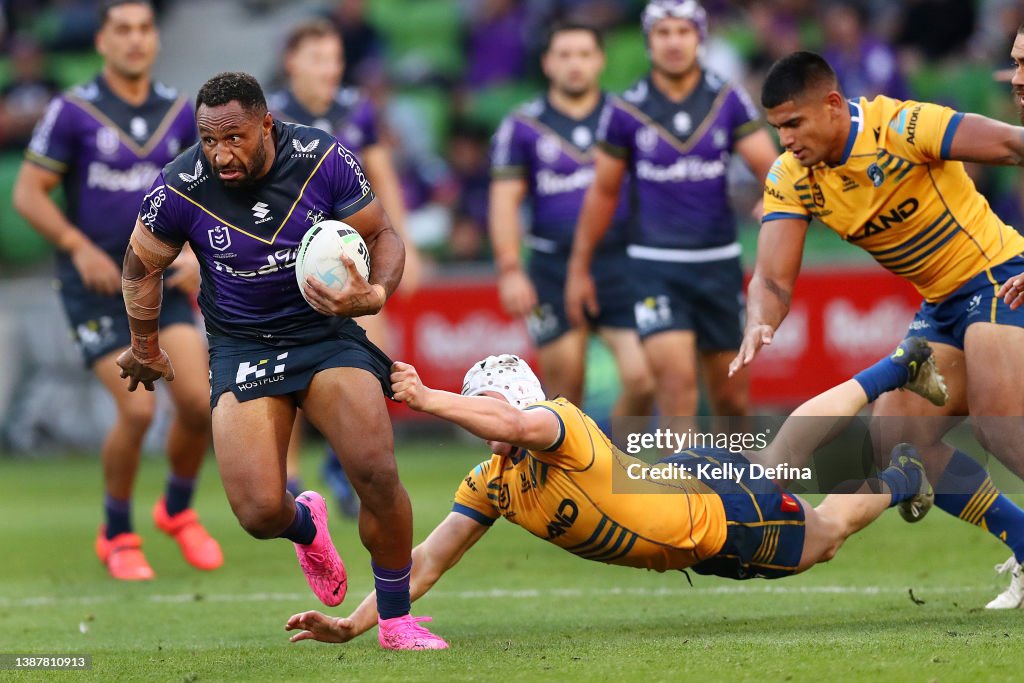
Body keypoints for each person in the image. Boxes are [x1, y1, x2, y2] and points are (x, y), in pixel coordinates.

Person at [282, 339, 945, 645]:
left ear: (511, 402)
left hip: (717, 518)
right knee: (782, 456)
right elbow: (425, 559)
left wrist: (428, 397)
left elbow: (514, 422)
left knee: (823, 537)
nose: (484, 426)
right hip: (689, 497)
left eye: (486, 407)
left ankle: (903, 476)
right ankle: (893, 370)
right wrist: (353, 624)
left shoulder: (555, 422)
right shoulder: (492, 482)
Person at [115, 71, 446, 650]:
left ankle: (396, 620)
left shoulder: (322, 157)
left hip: (324, 335)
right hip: (242, 345)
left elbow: (384, 234)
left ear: (266, 125)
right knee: (259, 513)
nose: (221, 154)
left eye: (235, 138)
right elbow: (140, 265)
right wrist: (145, 344)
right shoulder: (181, 185)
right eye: (209, 140)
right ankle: (306, 525)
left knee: (376, 473)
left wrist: (374, 295)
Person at [733, 49, 1024, 609]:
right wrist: (758, 321)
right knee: (898, 440)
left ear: (834, 105)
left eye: (794, 124)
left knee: (998, 422)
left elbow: (1014, 145)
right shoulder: (791, 177)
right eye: (777, 128)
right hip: (941, 304)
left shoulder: (905, 125)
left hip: (999, 275)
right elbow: (772, 278)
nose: (786, 139)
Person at [11, 0, 221, 581]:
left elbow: (207, 200)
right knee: (136, 407)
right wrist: (77, 246)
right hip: (97, 285)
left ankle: (176, 511)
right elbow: (28, 193)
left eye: (144, 28)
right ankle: (117, 531)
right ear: (101, 41)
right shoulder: (73, 111)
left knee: (198, 404)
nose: (135, 40)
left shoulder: (182, 113)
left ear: (156, 38)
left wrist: (194, 253)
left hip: (159, 281)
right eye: (122, 29)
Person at [565, 0, 778, 421]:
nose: (673, 42)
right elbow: (603, 192)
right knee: (676, 388)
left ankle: (729, 486)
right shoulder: (627, 109)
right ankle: (677, 489)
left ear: (699, 37)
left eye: (683, 31)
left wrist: (772, 196)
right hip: (654, 267)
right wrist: (579, 268)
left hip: (717, 265)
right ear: (649, 42)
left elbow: (770, 168)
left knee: (732, 401)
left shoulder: (726, 99)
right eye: (663, 33)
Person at [267, 18, 422, 512]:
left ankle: (340, 462)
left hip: (350, 257)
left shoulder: (357, 109)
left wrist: (407, 244)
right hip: (286, 261)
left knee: (382, 360)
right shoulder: (269, 116)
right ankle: (291, 482)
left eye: (335, 58)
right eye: (317, 59)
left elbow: (382, 176)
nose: (329, 69)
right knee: (285, 374)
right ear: (292, 63)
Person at [489, 22, 654, 419]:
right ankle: (565, 476)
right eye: (564, 55)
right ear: (547, 63)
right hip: (552, 268)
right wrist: (510, 268)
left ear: (599, 60)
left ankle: (615, 471)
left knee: (644, 378)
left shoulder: (625, 118)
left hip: (621, 262)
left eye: (584, 54)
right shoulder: (523, 126)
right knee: (565, 396)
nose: (574, 64)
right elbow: (504, 201)